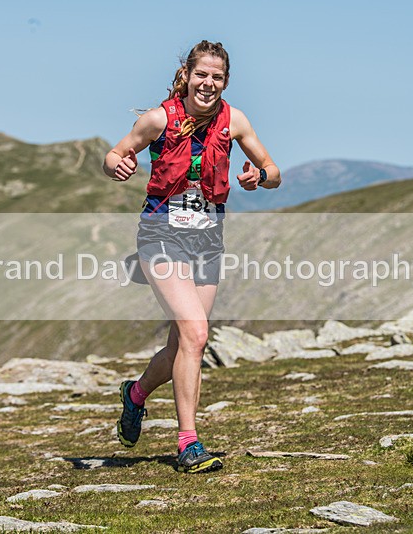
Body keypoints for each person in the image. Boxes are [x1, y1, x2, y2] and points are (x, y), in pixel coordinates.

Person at [102, 40, 280, 474]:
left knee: (185, 343)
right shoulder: (160, 118)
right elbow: (114, 154)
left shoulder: (234, 120)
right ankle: (188, 443)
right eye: (202, 74)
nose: (209, 83)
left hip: (207, 243)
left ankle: (136, 394)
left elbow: (274, 171)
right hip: (160, 237)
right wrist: (116, 166)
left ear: (226, 81)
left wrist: (260, 176)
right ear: (188, 75)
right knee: (197, 333)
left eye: (217, 77)